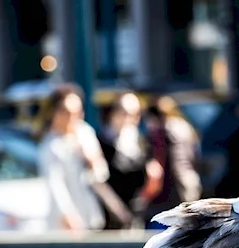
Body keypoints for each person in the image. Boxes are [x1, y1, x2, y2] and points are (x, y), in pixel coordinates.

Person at [37, 85, 106, 232]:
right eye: (66, 112)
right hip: (65, 223)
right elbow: (55, 184)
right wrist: (67, 214)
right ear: (54, 112)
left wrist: (93, 161)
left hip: (91, 213)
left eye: (77, 112)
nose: (72, 118)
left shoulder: (85, 133)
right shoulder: (50, 145)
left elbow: (101, 173)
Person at [99, 92, 162, 229]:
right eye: (124, 113)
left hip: (136, 210)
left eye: (135, 114)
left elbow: (152, 176)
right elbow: (99, 181)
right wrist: (118, 210)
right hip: (109, 213)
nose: (129, 119)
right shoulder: (102, 142)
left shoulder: (141, 141)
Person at [144, 95, 202, 227]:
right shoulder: (186, 128)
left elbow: (162, 161)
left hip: (169, 189)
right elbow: (194, 158)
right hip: (189, 183)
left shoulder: (161, 131)